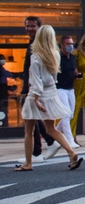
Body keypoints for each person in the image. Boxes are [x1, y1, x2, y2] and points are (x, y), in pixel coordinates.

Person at [15, 25, 83, 171]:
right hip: (51, 93)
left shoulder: (36, 56)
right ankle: (71, 152)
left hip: (37, 95)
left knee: (29, 131)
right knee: (51, 128)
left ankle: (28, 163)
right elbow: (53, 77)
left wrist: (35, 99)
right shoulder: (55, 54)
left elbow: (36, 80)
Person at [20, 16, 55, 164]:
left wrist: (32, 92)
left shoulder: (37, 45)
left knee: (31, 122)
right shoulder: (35, 44)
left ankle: (36, 152)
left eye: (33, 26)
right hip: (34, 88)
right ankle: (49, 143)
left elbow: (35, 72)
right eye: (27, 26)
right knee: (36, 120)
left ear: (39, 27)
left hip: (34, 89)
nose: (29, 29)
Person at [44, 36, 81, 159]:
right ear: (62, 45)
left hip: (70, 88)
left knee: (70, 115)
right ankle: (69, 141)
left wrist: (76, 74)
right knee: (65, 114)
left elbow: (74, 70)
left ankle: (56, 136)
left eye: (72, 43)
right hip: (60, 88)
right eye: (68, 44)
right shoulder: (58, 57)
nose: (70, 46)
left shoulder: (73, 58)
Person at [0, 53, 19, 128]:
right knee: (3, 112)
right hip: (4, 96)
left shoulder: (5, 73)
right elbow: (13, 86)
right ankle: (4, 126)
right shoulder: (6, 73)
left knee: (3, 112)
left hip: (3, 96)